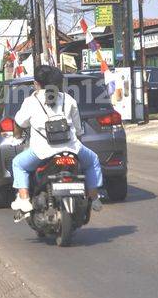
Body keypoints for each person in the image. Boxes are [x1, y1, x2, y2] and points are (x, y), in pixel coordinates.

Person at [11, 65, 103, 213]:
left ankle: (24, 199)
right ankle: (94, 197)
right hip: (72, 150)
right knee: (93, 160)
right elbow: (78, 131)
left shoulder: (31, 101)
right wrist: (75, 144)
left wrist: (17, 137)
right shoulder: (69, 100)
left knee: (18, 164)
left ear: (36, 83)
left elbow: (19, 123)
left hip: (41, 153)